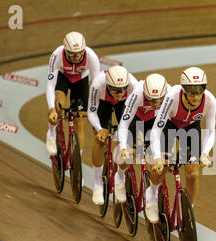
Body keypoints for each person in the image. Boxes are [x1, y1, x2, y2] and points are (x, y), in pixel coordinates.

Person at [146, 67, 216, 223]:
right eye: (191, 90)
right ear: (183, 89)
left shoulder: (210, 101)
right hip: (168, 125)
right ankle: (151, 193)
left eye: (200, 89)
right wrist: (157, 157)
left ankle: (187, 209)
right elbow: (156, 130)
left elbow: (211, 132)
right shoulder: (172, 97)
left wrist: (204, 153)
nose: (196, 95)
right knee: (163, 164)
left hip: (190, 127)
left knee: (193, 172)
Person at [115, 73, 171, 203]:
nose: (155, 103)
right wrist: (124, 147)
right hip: (136, 117)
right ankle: (120, 176)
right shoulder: (137, 94)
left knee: (166, 157)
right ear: (145, 93)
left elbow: (171, 123)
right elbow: (124, 123)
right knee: (128, 152)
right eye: (151, 100)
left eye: (158, 100)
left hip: (155, 120)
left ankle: (153, 191)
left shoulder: (170, 94)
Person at [87, 65, 138, 205]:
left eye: (122, 89)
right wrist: (99, 129)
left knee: (127, 141)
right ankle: (97, 184)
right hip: (103, 104)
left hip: (124, 105)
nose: (119, 93)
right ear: (108, 85)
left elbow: (136, 112)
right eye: (115, 90)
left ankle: (119, 176)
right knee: (100, 140)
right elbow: (91, 111)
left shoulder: (134, 85)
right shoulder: (98, 84)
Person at [45, 31, 100, 157]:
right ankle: (52, 134)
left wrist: (95, 113)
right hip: (63, 78)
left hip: (81, 81)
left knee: (79, 122)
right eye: (71, 54)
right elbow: (50, 85)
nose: (75, 57)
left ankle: (77, 162)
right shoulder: (57, 54)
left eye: (78, 54)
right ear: (65, 51)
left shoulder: (92, 57)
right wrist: (51, 108)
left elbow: (96, 88)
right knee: (58, 106)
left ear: (83, 50)